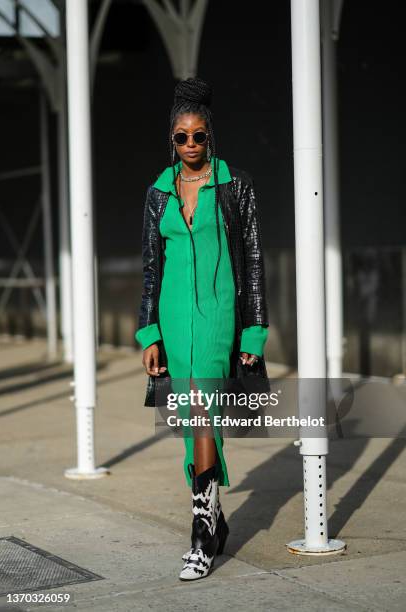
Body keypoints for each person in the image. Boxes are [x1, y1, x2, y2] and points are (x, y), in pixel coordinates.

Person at [135, 76, 269, 580]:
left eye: (198, 136)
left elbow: (253, 261)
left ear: (211, 136)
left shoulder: (236, 186)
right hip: (172, 317)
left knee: (200, 408)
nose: (190, 145)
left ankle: (200, 533)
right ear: (171, 139)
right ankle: (214, 520)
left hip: (217, 315)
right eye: (181, 137)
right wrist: (149, 334)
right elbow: (151, 266)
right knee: (192, 424)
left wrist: (253, 333)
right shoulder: (158, 193)